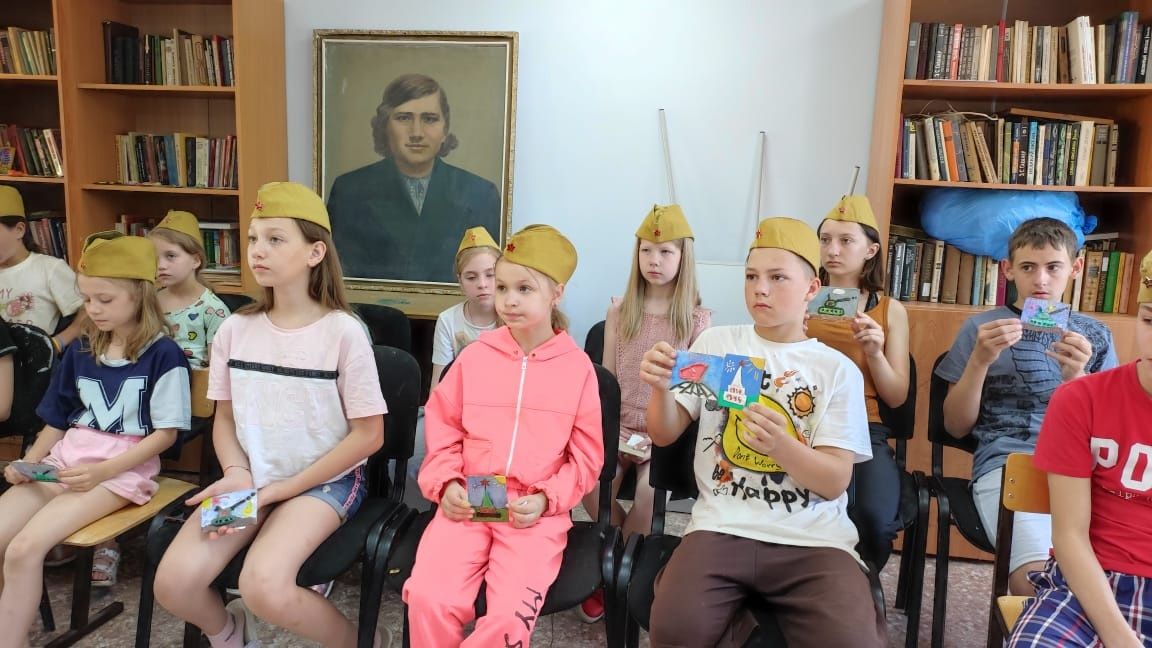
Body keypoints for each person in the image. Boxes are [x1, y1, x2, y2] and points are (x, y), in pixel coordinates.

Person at [152, 182, 387, 648]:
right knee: (174, 584)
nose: (258, 250)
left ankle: (365, 642)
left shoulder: (344, 332)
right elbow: (224, 419)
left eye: (275, 239)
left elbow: (369, 435)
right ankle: (230, 634)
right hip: (252, 481)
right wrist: (238, 473)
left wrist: (279, 490)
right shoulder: (235, 329)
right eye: (253, 238)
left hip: (323, 483)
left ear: (315, 252)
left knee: (263, 587)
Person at [641, 217, 886, 648]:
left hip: (813, 539)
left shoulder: (836, 369)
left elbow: (834, 481)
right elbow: (664, 434)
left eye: (777, 278)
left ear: (812, 288)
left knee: (852, 641)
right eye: (752, 277)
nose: (761, 289)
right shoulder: (718, 344)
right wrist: (660, 388)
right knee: (675, 629)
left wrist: (781, 446)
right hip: (722, 526)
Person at [403, 225, 603, 647]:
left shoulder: (578, 369)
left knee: (509, 618)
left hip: (535, 508)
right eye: (502, 287)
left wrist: (548, 498)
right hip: (476, 492)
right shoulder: (475, 358)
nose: (509, 300)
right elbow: (443, 430)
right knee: (428, 597)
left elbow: (586, 459)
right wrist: (447, 483)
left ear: (556, 293)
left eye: (524, 288)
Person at [0, 234, 190, 646]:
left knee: (23, 549)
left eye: (105, 299)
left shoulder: (165, 355)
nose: (92, 309)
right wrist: (30, 462)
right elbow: (57, 419)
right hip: (64, 462)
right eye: (87, 299)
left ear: (140, 295)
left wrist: (103, 471)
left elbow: (166, 434)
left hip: (119, 473)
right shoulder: (82, 349)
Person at [935, 217, 1118, 596]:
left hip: (1085, 472)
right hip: (1008, 464)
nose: (1041, 280)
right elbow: (954, 426)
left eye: (1053, 267)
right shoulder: (981, 329)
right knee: (1038, 579)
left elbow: (1112, 433)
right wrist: (979, 361)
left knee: (1112, 576)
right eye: (1028, 267)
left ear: (1076, 268)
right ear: (1008, 269)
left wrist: (1078, 378)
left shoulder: (1095, 336)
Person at [1007, 249, 1152, 648]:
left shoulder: (1093, 347)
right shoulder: (1081, 399)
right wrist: (1120, 638)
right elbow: (1069, 534)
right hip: (1084, 582)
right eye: (1149, 320)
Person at [578, 204, 710, 623]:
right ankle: (619, 553)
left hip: (663, 436)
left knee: (650, 497)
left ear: (683, 258)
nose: (655, 260)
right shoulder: (619, 311)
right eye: (647, 251)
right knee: (589, 485)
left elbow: (692, 396)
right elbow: (608, 382)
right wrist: (607, 435)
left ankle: (612, 572)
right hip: (619, 427)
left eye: (666, 252)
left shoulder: (697, 321)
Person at [806, 195, 907, 571]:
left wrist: (875, 352)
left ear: (871, 250)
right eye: (825, 240)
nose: (832, 250)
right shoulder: (800, 298)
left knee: (874, 520)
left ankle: (862, 584)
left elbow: (896, 397)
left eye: (846, 240)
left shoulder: (889, 310)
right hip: (804, 422)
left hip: (863, 426)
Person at [327, 73, 502, 283]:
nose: (417, 132)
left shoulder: (481, 195)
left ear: (445, 129)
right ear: (384, 126)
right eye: (404, 118)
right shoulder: (349, 191)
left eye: (429, 119)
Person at [0, 185, 85, 351]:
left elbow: (88, 311)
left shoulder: (49, 269)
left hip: (37, 362)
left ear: (19, 230)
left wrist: (57, 343)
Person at [149, 210, 231, 369]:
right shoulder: (149, 302)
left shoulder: (214, 310)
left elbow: (218, 371)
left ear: (195, 260)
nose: (161, 265)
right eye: (154, 258)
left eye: (171, 256)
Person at [430, 226, 501, 391]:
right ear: (460, 282)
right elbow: (438, 387)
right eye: (471, 277)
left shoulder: (515, 317)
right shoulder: (448, 320)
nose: (482, 284)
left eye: (490, 275)